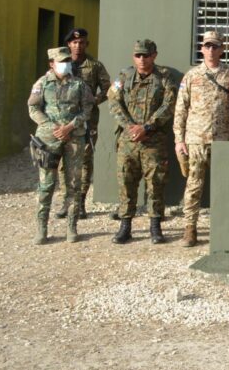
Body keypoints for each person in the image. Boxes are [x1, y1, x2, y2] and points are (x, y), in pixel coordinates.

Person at [173, 30, 229, 247]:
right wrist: (179, 139)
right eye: (207, 46)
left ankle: (224, 228)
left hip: (221, 141)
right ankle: (190, 229)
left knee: (223, 186)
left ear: (222, 49)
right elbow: (181, 108)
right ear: (202, 49)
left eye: (215, 46)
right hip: (195, 140)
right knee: (193, 186)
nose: (211, 50)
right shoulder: (191, 76)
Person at [106, 39, 177, 244]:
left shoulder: (164, 77)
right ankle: (125, 226)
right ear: (133, 56)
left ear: (154, 55)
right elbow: (114, 103)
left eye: (146, 55)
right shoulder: (124, 76)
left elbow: (169, 104)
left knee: (156, 183)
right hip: (128, 140)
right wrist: (131, 127)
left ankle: (155, 227)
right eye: (138, 55)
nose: (142, 59)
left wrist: (147, 127)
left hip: (154, 140)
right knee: (126, 182)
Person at [29, 47, 95, 244]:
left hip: (74, 139)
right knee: (46, 184)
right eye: (61, 60)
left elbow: (88, 108)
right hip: (48, 140)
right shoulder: (42, 83)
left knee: (74, 183)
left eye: (67, 60)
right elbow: (33, 108)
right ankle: (42, 228)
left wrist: (70, 126)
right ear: (51, 63)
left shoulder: (79, 84)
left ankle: (71, 226)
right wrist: (53, 126)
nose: (65, 63)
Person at [57, 27, 110, 221]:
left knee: (85, 161)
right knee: (64, 161)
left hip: (87, 121)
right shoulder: (62, 65)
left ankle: (80, 203)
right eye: (74, 43)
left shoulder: (95, 66)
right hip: (65, 120)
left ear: (86, 44)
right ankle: (66, 201)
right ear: (69, 44)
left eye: (81, 43)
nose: (78, 46)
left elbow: (107, 89)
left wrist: (93, 101)